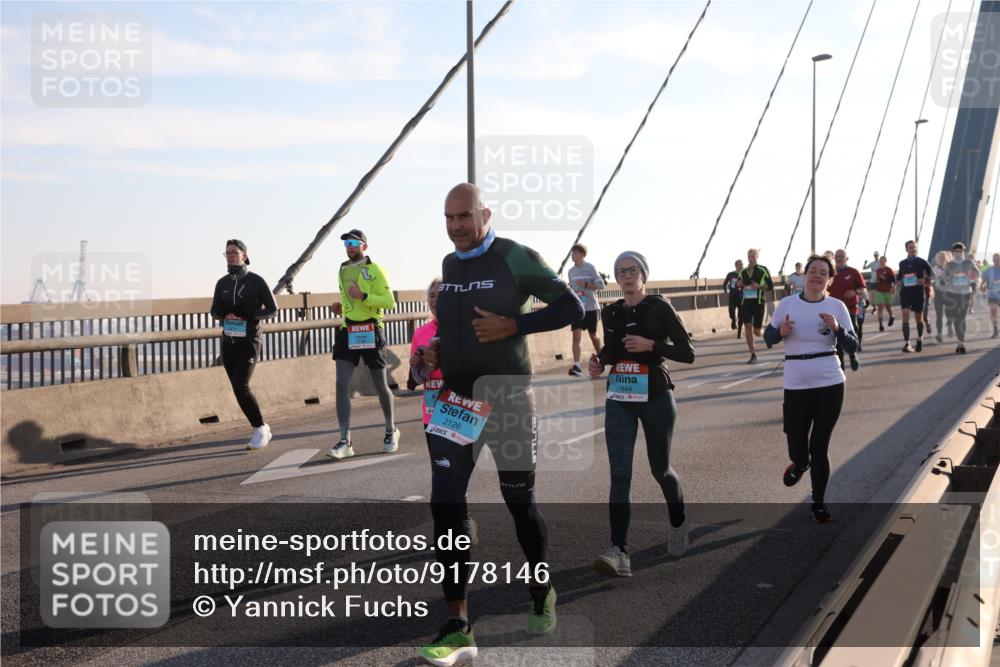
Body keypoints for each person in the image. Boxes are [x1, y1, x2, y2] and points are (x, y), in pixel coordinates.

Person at [416, 183, 584, 665]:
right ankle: (458, 625)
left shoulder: (515, 256)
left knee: (519, 503)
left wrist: (516, 326)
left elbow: (572, 307)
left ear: (484, 213)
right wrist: (439, 351)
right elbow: (456, 326)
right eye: (448, 218)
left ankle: (540, 585)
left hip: (509, 400)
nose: (455, 227)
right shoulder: (451, 265)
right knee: (445, 503)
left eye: (464, 216)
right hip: (457, 403)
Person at [588, 251, 694, 578]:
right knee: (620, 474)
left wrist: (652, 345)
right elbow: (611, 350)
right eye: (621, 272)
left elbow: (687, 353)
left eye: (632, 270)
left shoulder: (660, 307)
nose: (627, 275)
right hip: (620, 395)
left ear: (643, 274)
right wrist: (598, 362)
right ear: (617, 279)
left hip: (656, 396)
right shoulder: (611, 311)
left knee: (660, 470)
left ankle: (678, 522)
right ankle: (619, 549)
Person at [764, 254, 858, 523]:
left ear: (830, 279)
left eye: (822, 272)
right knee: (797, 444)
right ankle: (799, 463)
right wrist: (780, 331)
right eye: (812, 271)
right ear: (804, 276)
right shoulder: (787, 304)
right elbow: (768, 338)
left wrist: (837, 329)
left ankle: (818, 503)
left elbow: (852, 345)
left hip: (830, 382)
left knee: (820, 446)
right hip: (795, 383)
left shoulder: (837, 306)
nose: (817, 276)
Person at [325, 229, 401, 459]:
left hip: (371, 329)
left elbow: (390, 303)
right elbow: (349, 301)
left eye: (353, 243)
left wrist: (364, 297)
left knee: (379, 384)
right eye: (346, 243)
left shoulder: (374, 270)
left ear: (364, 246)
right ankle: (344, 441)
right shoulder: (343, 269)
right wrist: (341, 307)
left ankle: (391, 430)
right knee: (341, 385)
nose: (349, 246)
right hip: (348, 330)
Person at [210, 239, 278, 450]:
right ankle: (260, 426)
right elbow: (214, 311)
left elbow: (272, 309)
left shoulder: (256, 281)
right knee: (237, 388)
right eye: (227, 253)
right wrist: (225, 314)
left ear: (244, 256)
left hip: (250, 341)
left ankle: (260, 428)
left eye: (235, 252)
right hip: (229, 342)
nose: (230, 255)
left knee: (241, 385)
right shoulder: (222, 283)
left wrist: (249, 317)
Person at [567, 244, 605, 376]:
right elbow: (571, 287)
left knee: (593, 336)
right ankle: (577, 366)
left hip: (590, 307)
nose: (572, 255)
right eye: (572, 253)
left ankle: (602, 359)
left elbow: (601, 285)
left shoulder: (590, 268)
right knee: (576, 336)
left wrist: (586, 284)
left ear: (582, 254)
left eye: (575, 253)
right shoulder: (571, 271)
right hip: (577, 308)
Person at [826, 249, 866, 371]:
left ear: (846, 258)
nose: (838, 258)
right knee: (836, 338)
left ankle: (853, 354)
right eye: (836, 256)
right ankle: (841, 367)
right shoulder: (829, 273)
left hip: (850, 308)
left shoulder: (853, 272)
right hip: (833, 310)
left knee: (851, 331)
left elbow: (863, 289)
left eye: (841, 256)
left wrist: (854, 292)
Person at [737, 248, 774, 364]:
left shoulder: (762, 270)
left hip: (758, 303)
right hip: (746, 303)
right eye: (749, 256)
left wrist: (759, 286)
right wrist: (739, 284)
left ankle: (767, 334)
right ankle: (753, 354)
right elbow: (738, 283)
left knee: (757, 332)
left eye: (753, 256)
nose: (751, 259)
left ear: (757, 257)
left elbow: (770, 285)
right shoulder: (742, 272)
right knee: (747, 326)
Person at [896, 240, 933, 353]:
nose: (913, 249)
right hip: (906, 292)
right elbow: (899, 276)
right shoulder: (902, 263)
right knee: (905, 314)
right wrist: (897, 282)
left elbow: (932, 274)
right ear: (906, 249)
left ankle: (919, 338)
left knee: (918, 318)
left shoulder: (922, 262)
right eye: (910, 247)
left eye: (914, 247)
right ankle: (907, 343)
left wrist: (925, 280)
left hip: (918, 292)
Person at [944, 242, 980, 354]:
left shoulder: (968, 262)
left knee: (962, 317)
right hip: (953, 293)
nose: (958, 253)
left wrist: (973, 281)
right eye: (956, 251)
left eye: (960, 251)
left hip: (965, 293)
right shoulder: (949, 265)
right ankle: (953, 327)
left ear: (963, 252)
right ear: (953, 253)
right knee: (956, 317)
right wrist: (945, 281)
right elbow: (945, 278)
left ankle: (960, 343)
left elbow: (977, 272)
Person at [871, 255, 895, 331]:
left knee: (888, 307)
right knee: (880, 308)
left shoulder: (889, 269)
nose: (881, 261)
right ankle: (880, 325)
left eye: (882, 260)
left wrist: (893, 288)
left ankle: (891, 316)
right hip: (879, 291)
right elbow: (876, 280)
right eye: (880, 260)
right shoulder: (877, 270)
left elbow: (893, 280)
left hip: (888, 290)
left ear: (885, 261)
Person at [931, 251, 950, 343]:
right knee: (939, 316)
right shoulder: (934, 269)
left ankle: (949, 324)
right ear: (937, 259)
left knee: (949, 313)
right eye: (940, 257)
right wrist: (932, 282)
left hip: (949, 294)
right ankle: (939, 334)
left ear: (946, 258)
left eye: (943, 257)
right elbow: (930, 280)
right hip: (938, 294)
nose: (942, 259)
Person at [982, 253, 1000, 339]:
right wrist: (982, 285)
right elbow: (985, 279)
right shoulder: (989, 270)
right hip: (992, 294)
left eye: (997, 259)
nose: (996, 261)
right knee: (993, 311)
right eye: (994, 259)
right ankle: (995, 330)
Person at [724, 259, 744, 333]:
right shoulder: (730, 274)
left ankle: (739, 332)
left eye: (742, 264)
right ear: (735, 266)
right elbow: (725, 284)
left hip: (742, 297)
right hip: (732, 296)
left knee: (741, 316)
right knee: (731, 312)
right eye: (739, 265)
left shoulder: (744, 275)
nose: (741, 266)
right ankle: (733, 319)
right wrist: (726, 292)